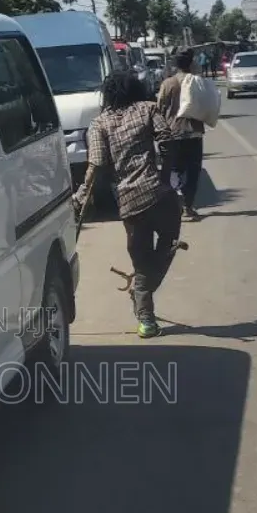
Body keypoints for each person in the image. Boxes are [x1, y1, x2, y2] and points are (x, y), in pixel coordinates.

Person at [72, 72, 182, 338]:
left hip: (129, 201)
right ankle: (142, 294)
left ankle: (146, 319)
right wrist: (164, 177)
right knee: (169, 241)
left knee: (142, 261)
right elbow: (166, 140)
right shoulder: (148, 108)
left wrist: (81, 196)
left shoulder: (99, 124)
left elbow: (96, 165)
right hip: (160, 195)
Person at [155, 49, 209, 221]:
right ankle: (188, 206)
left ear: (174, 64)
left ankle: (175, 204)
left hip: (173, 134)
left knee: (174, 171)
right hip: (194, 133)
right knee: (193, 172)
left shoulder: (168, 84)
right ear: (192, 63)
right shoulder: (198, 82)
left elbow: (160, 108)